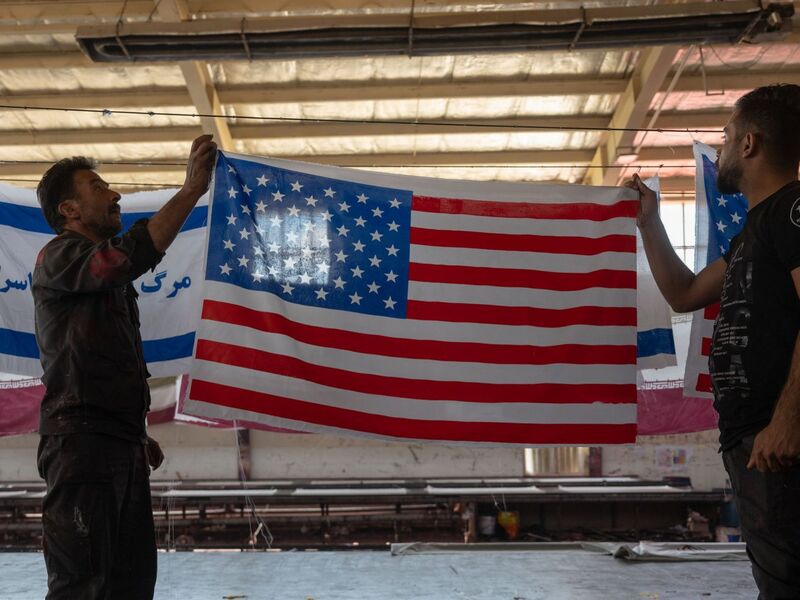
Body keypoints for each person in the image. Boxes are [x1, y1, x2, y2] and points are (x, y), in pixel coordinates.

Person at [627, 84, 800, 599]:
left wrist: (788, 421)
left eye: (725, 138)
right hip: (753, 438)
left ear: (748, 145)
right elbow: (684, 293)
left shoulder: (793, 210)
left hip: (779, 438)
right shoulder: (754, 232)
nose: (721, 150)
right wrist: (651, 222)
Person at [33, 134, 217, 599]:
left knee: (128, 584)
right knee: (86, 584)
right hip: (83, 446)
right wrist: (191, 190)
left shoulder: (102, 279)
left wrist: (134, 434)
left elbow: (98, 361)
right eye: (98, 187)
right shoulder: (59, 257)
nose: (115, 195)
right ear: (69, 210)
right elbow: (125, 258)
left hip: (110, 443)